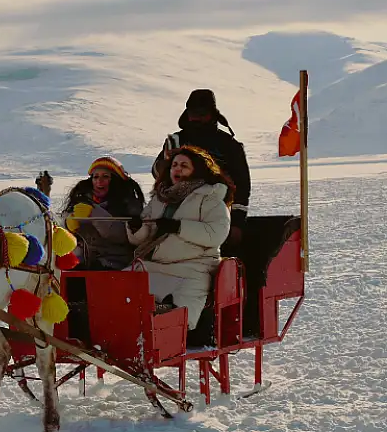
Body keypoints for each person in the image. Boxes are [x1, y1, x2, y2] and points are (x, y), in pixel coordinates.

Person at [127, 145, 232, 331]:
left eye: (184, 165)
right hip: (154, 264)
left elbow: (216, 234)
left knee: (180, 305)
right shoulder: (160, 198)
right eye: (174, 165)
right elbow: (144, 236)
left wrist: (179, 227)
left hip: (192, 266)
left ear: (197, 170)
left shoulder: (210, 197)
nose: (177, 169)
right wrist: (137, 228)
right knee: (117, 284)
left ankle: (166, 320)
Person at [152, 88, 250, 250]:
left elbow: (242, 185)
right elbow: (157, 174)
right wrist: (166, 162)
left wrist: (237, 222)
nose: (196, 118)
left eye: (202, 113)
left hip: (213, 215)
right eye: (193, 113)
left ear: (212, 114)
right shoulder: (176, 140)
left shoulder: (229, 145)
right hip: (176, 213)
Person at [62, 155, 145, 270]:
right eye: (95, 177)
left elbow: (123, 236)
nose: (99, 181)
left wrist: (95, 214)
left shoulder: (130, 205)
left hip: (116, 264)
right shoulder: (80, 201)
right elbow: (62, 226)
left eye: (105, 176)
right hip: (85, 260)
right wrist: (69, 224)